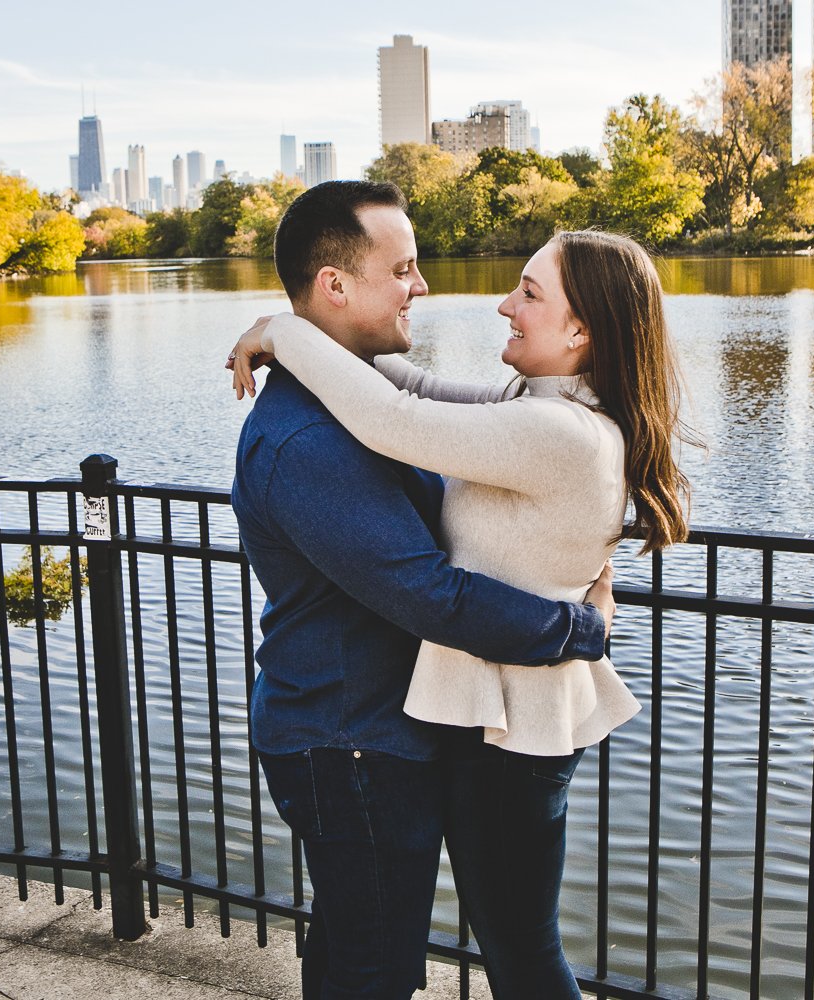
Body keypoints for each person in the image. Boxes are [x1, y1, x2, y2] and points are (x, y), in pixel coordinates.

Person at [230, 228, 696, 1000]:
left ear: (581, 331)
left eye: (530, 294)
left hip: (515, 729)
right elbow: (407, 390)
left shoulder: (556, 432)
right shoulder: (535, 403)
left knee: (520, 950)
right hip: (495, 718)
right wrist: (337, 325)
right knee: (497, 939)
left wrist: (285, 330)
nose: (504, 304)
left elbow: (394, 423)